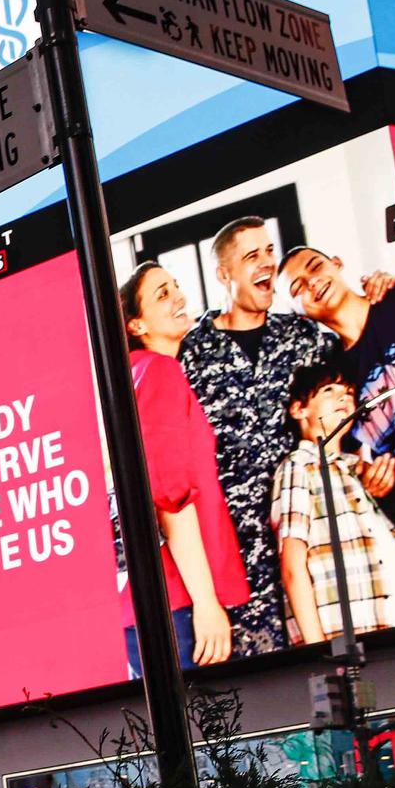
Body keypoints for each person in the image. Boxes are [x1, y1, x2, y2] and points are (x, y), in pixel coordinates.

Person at [176, 216, 395, 656]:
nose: (267, 264)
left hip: (318, 550)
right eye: (252, 256)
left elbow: (355, 395)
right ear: (224, 274)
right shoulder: (190, 352)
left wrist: (384, 292)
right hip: (236, 561)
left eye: (269, 252)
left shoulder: (307, 340)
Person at [279, 245, 395, 618]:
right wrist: (373, 482)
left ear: (337, 262)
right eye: (297, 287)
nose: (312, 282)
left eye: (315, 266)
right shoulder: (335, 384)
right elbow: (350, 468)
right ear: (298, 311)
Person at [119, 262, 252, 671]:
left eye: (176, 285)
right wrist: (206, 603)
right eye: (162, 293)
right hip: (178, 600)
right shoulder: (158, 372)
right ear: (136, 325)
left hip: (155, 604)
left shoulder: (137, 377)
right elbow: (169, 499)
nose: (178, 295)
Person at [271, 360, 395, 647]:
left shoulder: (356, 469)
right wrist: (317, 648)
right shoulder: (299, 467)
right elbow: (292, 565)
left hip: (394, 623)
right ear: (299, 409)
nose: (343, 397)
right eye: (328, 390)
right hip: (345, 638)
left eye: (349, 392)